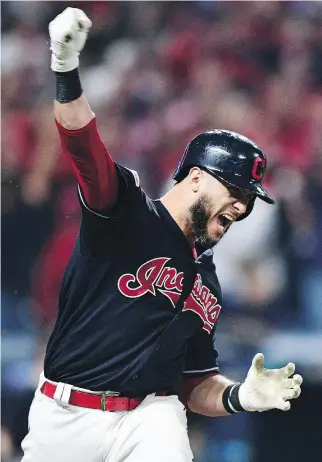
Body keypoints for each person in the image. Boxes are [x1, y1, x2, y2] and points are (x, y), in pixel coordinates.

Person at [21, 8, 303, 462]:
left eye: (248, 199)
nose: (242, 205)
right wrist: (65, 68)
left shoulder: (208, 283)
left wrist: (238, 397)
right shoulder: (126, 212)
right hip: (66, 414)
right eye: (234, 189)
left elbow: (194, 383)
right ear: (194, 178)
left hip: (150, 417)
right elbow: (83, 146)